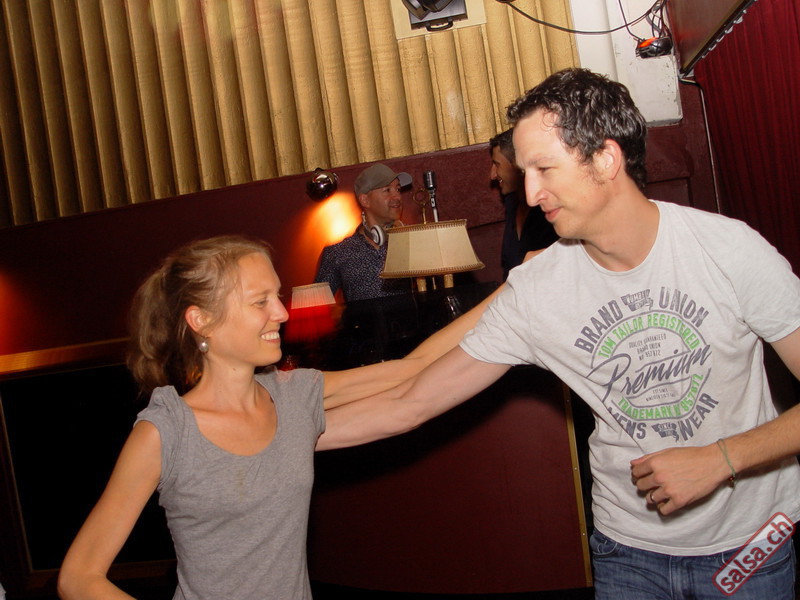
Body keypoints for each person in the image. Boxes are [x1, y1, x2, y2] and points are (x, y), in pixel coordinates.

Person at [321, 68, 800, 599]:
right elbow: (410, 401)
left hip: (751, 545)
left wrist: (722, 458)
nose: (530, 192)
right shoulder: (540, 289)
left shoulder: (727, 250)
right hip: (628, 553)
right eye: (524, 171)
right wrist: (273, 439)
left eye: (544, 168)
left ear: (606, 159)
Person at [57, 235, 498, 600]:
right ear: (201, 321)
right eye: (260, 302)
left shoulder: (294, 397)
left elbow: (412, 372)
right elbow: (79, 577)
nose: (282, 313)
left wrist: (514, 293)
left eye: (278, 296)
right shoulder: (167, 431)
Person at [314, 163, 412, 302]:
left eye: (398, 189)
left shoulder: (413, 240)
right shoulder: (338, 253)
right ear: (365, 200)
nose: (397, 196)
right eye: (387, 190)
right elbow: (318, 304)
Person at [489, 129, 558, 279]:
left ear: (517, 164)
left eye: (497, 164)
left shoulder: (550, 207)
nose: (492, 175)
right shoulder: (511, 204)